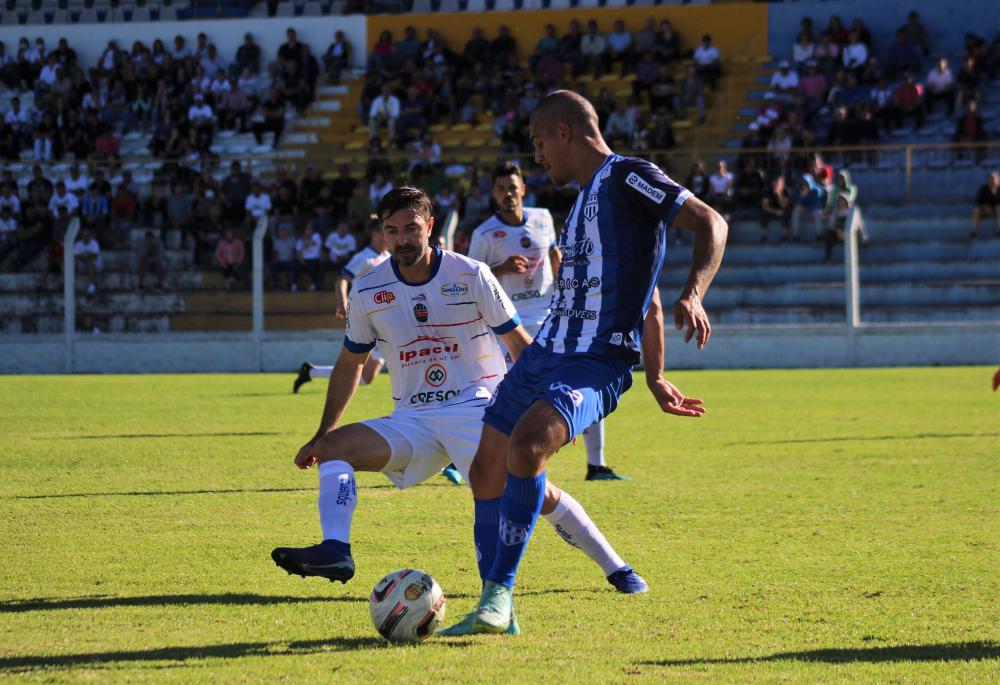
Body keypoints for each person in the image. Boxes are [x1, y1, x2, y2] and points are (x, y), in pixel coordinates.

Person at [272, 187, 649, 614]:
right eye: (391, 231)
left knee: (536, 494)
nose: (402, 240)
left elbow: (520, 345)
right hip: (412, 418)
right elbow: (349, 363)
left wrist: (551, 412)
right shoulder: (367, 288)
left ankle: (616, 567)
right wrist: (321, 433)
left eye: (411, 228)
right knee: (333, 449)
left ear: (430, 227)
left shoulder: (470, 274)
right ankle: (336, 550)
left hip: (479, 411)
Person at [441, 90, 726, 635]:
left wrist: (697, 292)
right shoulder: (577, 208)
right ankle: (493, 605)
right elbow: (650, 297)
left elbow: (711, 221)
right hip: (546, 351)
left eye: (539, 142)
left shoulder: (628, 177)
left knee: (528, 448)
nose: (538, 155)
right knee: (484, 469)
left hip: (594, 361)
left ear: (565, 133)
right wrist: (659, 374)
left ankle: (499, 597)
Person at [469, 162, 628, 482]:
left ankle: (596, 464)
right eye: (500, 189)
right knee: (499, 392)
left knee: (582, 379)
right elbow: (473, 278)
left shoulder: (542, 218)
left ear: (523, 189)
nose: (507, 194)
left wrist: (567, 287)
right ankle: (472, 457)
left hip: (550, 317)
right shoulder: (484, 234)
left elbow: (556, 256)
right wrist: (501, 268)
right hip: (508, 324)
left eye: (512, 187)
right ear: (493, 194)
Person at [294, 221, 391, 394]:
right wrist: (342, 301)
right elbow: (342, 279)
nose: (392, 236)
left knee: (366, 378)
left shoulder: (388, 256)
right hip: (372, 320)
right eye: (388, 232)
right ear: (376, 234)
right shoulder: (365, 257)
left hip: (384, 316)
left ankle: (310, 371)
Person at [971, 171, 1000, 238]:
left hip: (996, 210)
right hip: (985, 210)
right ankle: (973, 232)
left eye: (993, 179)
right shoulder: (983, 189)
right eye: (990, 179)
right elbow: (977, 201)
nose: (991, 181)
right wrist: (985, 207)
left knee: (999, 208)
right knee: (976, 210)